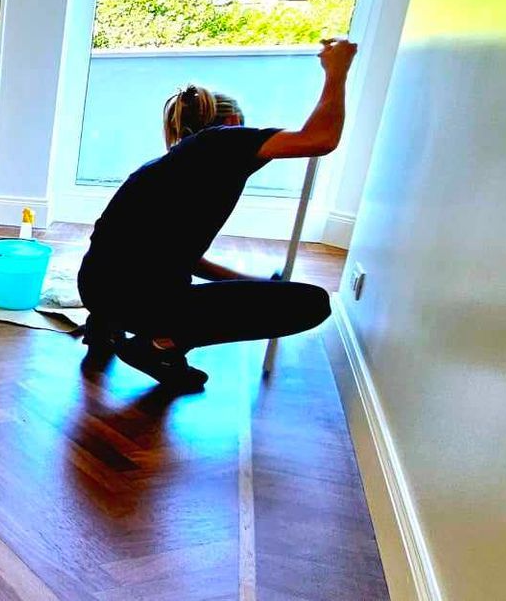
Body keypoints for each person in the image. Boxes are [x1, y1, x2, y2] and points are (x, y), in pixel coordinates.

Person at [77, 38, 357, 392]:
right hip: (140, 303)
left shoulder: (167, 167)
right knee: (311, 304)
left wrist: (250, 283)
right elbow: (320, 138)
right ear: (234, 122)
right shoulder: (221, 142)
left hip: (98, 291)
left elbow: (175, 255)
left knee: (153, 277)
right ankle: (156, 345)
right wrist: (336, 71)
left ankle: (106, 329)